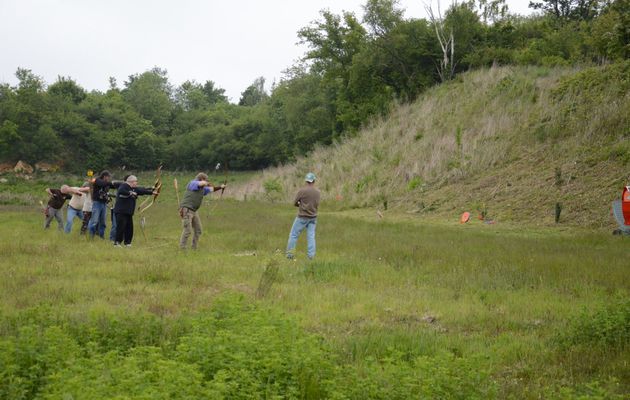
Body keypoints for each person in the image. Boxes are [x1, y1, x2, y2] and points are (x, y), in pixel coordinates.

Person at [179, 172, 226, 250]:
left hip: (194, 211)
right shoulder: (192, 183)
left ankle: (194, 248)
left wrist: (221, 187)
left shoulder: (203, 189)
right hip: (186, 209)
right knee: (187, 230)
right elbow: (201, 183)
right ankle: (182, 248)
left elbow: (212, 189)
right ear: (201, 179)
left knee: (198, 230)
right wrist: (207, 183)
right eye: (205, 180)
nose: (206, 182)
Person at [113, 175, 155, 247]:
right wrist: (130, 193)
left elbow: (142, 190)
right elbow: (121, 191)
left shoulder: (134, 188)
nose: (136, 183)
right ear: (131, 182)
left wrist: (152, 192)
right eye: (136, 181)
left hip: (128, 212)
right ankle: (117, 243)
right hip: (121, 211)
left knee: (129, 228)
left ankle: (128, 243)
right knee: (121, 227)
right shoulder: (124, 185)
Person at [286, 172, 320, 260]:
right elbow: (316, 204)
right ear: (314, 181)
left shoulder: (302, 191)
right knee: (311, 237)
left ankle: (290, 256)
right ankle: (311, 257)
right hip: (313, 217)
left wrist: (300, 204)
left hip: (302, 217)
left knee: (293, 235)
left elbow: (295, 203)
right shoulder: (318, 192)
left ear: (306, 181)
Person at [87, 170, 122, 239]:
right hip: (97, 203)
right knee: (94, 221)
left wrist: (122, 184)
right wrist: (111, 183)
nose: (109, 178)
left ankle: (101, 236)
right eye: (108, 177)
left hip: (103, 204)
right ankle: (91, 236)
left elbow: (113, 185)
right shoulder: (97, 180)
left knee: (102, 222)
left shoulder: (107, 183)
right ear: (105, 176)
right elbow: (102, 184)